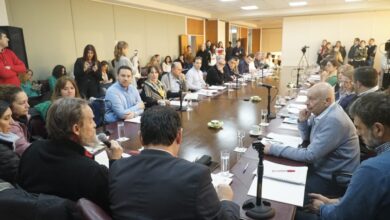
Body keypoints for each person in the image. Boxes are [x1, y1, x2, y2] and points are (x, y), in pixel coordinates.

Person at [109, 106, 240, 220]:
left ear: (141, 138)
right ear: (179, 136)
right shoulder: (196, 176)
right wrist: (226, 200)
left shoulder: (117, 167)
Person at [18, 97, 123, 212]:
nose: (94, 125)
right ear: (76, 129)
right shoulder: (92, 172)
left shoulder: (32, 150)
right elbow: (116, 205)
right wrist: (115, 163)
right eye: (91, 120)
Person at [264, 82, 360, 202]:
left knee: (283, 192)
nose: (306, 102)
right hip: (322, 168)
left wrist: (273, 148)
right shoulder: (323, 111)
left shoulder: (334, 120)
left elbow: (310, 155)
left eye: (311, 99)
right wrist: (303, 122)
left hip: (331, 180)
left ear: (327, 101)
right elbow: (308, 139)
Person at [306, 92, 390, 220]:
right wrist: (335, 202)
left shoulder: (373, 170)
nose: (357, 133)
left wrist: (321, 208)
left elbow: (342, 216)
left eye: (359, 127)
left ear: (378, 129)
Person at [0, 85, 31, 156]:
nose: (28, 105)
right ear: (9, 106)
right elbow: (24, 149)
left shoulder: (23, 117)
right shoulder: (11, 127)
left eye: (27, 101)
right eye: (22, 103)